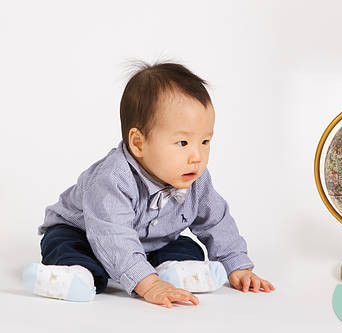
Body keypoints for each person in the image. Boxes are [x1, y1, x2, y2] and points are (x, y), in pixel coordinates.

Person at [22, 61, 275, 308]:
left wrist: (237, 265)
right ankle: (71, 276)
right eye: (183, 143)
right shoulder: (113, 179)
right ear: (138, 143)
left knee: (185, 246)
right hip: (85, 233)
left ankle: (176, 271)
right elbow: (113, 236)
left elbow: (216, 221)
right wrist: (147, 284)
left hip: (149, 242)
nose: (197, 156)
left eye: (205, 142)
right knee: (69, 248)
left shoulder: (193, 176)